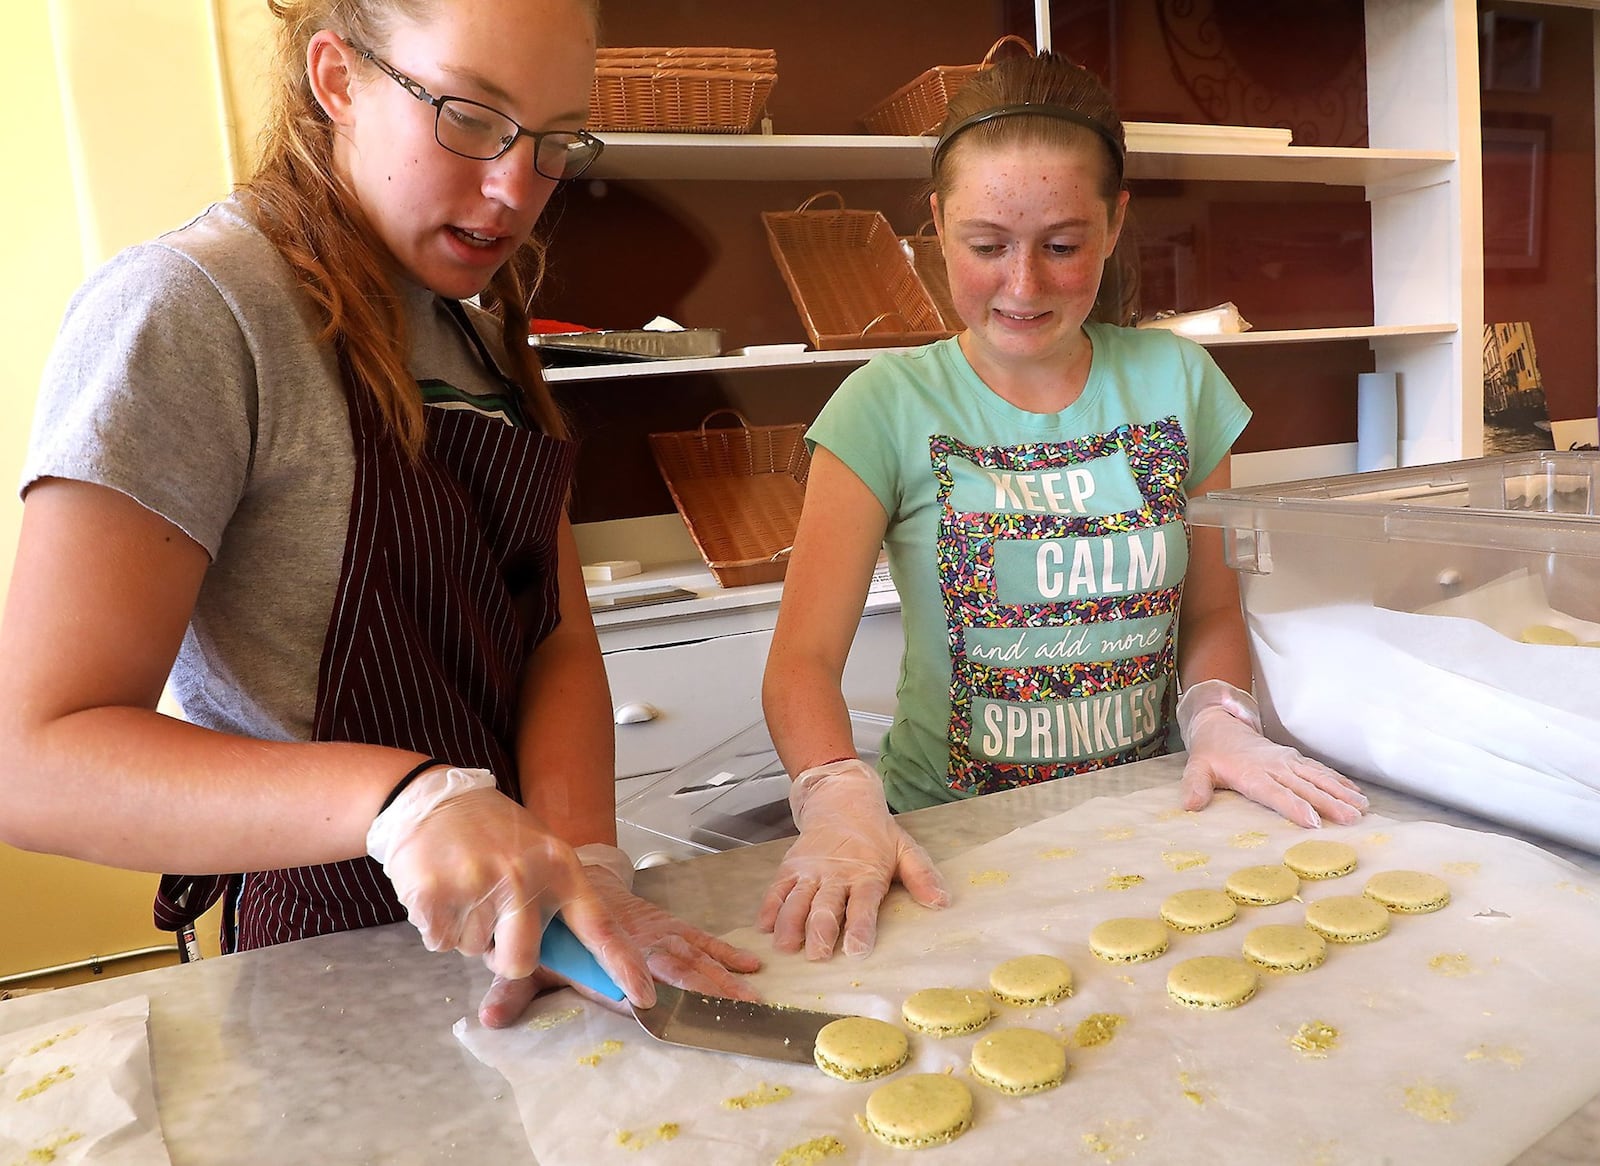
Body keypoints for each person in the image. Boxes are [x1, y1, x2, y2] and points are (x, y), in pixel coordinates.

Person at [0, 0, 759, 1026]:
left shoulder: (483, 328)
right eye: (471, 116)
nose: (513, 188)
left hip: (530, 938)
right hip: (328, 957)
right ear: (338, 77)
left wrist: (588, 864)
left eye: (552, 142)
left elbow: (555, 637)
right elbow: (38, 759)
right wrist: (405, 802)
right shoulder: (194, 308)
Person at [758, 50, 1370, 962]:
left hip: (1161, 817)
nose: (1023, 285)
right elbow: (801, 661)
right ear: (935, 223)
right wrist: (838, 798)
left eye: (1061, 244)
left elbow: (1208, 610)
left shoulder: (1179, 382)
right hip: (957, 845)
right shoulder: (883, 405)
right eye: (986, 244)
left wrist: (1218, 721)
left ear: (1116, 224)